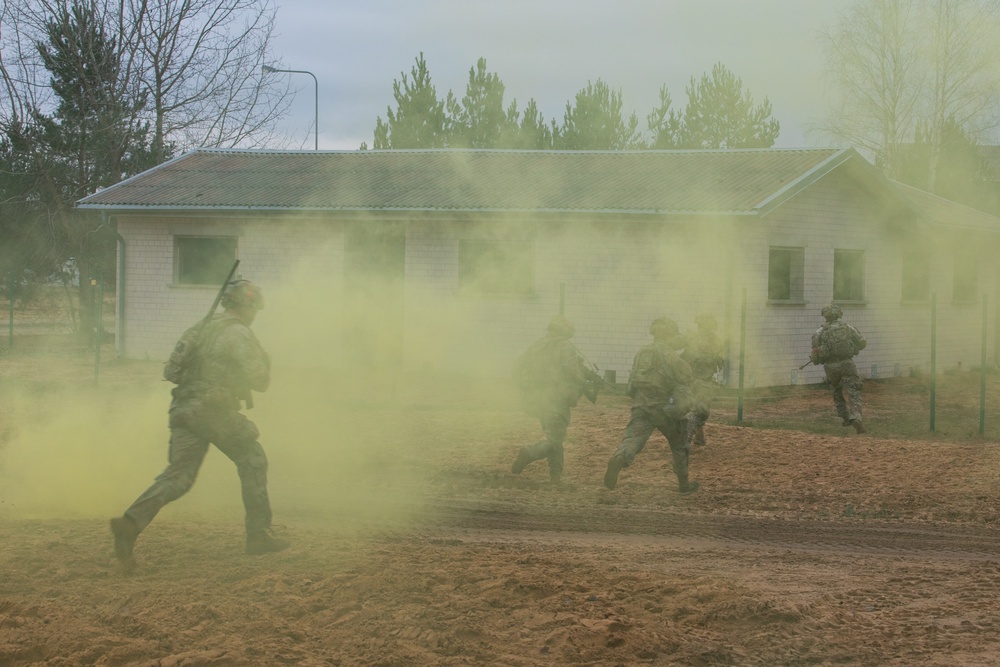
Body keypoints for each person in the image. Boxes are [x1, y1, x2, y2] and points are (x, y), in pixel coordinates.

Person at [110, 279, 289, 571]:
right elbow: (260, 380)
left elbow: (171, 370)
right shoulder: (239, 334)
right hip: (214, 409)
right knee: (253, 457)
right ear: (248, 307)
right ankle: (258, 536)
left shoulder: (200, 328)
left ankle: (130, 524)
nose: (255, 314)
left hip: (183, 408)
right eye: (254, 308)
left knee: (178, 477)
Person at [604, 317, 699, 494]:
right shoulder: (670, 355)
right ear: (670, 334)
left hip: (641, 406)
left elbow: (633, 382)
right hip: (664, 408)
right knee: (679, 443)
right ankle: (684, 485)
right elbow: (686, 378)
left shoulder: (642, 353)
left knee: (633, 440)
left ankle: (619, 459)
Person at [511, 315, 601, 483]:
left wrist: (525, 386)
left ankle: (555, 478)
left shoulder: (537, 346)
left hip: (537, 400)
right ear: (564, 331)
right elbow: (572, 370)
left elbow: (517, 366)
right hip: (556, 400)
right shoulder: (564, 346)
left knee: (555, 437)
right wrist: (585, 381)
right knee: (554, 438)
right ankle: (529, 453)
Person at [810, 303, 868, 434]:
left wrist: (817, 357)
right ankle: (856, 417)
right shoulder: (848, 328)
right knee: (854, 390)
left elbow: (815, 358)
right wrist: (854, 347)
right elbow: (862, 342)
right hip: (847, 364)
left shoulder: (818, 333)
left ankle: (844, 416)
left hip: (830, 367)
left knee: (836, 391)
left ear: (825, 316)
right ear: (839, 314)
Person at [678, 313, 725, 447]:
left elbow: (673, 344)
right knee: (700, 410)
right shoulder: (716, 340)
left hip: (688, 379)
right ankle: (685, 437)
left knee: (692, 407)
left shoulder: (691, 336)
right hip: (702, 381)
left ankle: (699, 437)